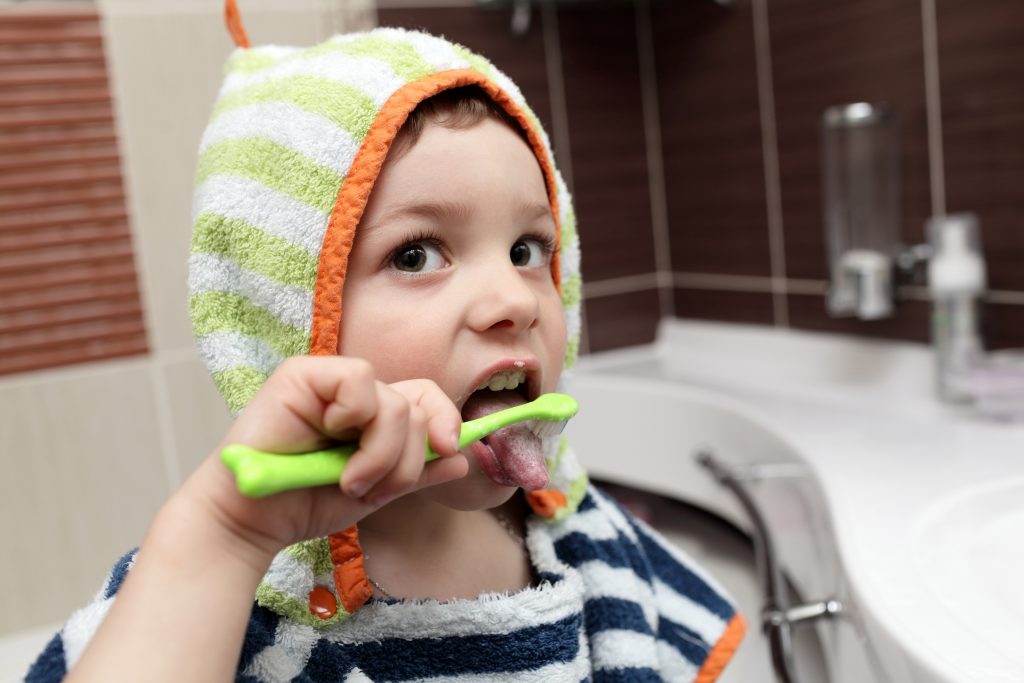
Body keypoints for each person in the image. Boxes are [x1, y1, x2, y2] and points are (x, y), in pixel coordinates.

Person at [27, 15, 745, 683]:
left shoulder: (581, 538)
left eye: (528, 248)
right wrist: (225, 537)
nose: (514, 299)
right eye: (416, 255)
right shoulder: (214, 604)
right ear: (293, 318)